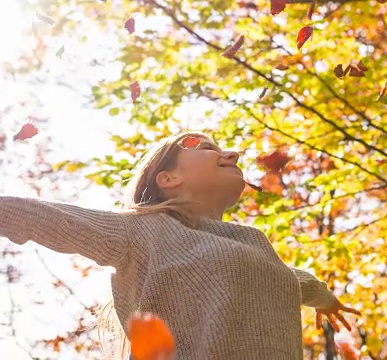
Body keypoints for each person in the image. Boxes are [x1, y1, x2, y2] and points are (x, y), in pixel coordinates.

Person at [0, 131, 361, 359]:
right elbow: (44, 218)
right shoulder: (142, 230)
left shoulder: (253, 244)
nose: (232, 154)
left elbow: (291, 280)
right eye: (206, 147)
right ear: (168, 178)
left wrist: (325, 298)